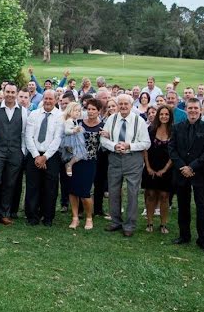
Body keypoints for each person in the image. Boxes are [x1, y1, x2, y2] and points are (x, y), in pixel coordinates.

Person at [167, 98, 204, 251]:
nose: (193, 111)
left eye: (196, 108)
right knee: (183, 205)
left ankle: (203, 238)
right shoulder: (176, 127)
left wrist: (192, 167)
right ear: (186, 109)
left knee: (202, 206)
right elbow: (172, 149)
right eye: (190, 108)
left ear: (201, 110)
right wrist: (183, 166)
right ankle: (184, 235)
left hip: (200, 173)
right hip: (181, 173)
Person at [100, 94, 151, 237]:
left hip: (132, 159)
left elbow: (146, 143)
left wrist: (129, 146)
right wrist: (114, 145)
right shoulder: (111, 119)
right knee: (113, 191)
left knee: (132, 192)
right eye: (120, 104)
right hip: (115, 158)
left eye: (125, 104)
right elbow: (103, 139)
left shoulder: (139, 121)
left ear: (131, 105)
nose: (123, 106)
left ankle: (129, 225)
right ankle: (116, 221)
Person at [0, 82, 28, 226]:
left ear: (16, 94)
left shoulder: (23, 111)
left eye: (12, 92)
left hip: (15, 152)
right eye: (7, 91)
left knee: (10, 184)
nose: (10, 94)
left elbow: (24, 134)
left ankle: (5, 214)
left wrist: (22, 152)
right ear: (3, 92)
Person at [24, 90, 63, 227]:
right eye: (45, 98)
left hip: (51, 156)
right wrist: (36, 156)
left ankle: (48, 216)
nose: (47, 101)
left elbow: (58, 138)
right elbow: (28, 136)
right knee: (32, 186)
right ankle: (32, 215)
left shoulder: (60, 116)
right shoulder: (34, 114)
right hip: (34, 154)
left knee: (50, 188)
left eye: (50, 99)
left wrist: (45, 157)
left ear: (56, 100)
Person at [65, 96, 104, 230]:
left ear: (99, 111)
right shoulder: (79, 122)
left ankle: (88, 217)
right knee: (72, 190)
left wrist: (107, 135)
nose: (91, 111)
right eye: (88, 109)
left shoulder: (102, 126)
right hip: (75, 161)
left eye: (94, 109)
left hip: (89, 162)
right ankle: (75, 217)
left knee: (85, 192)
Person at [142, 105, 173, 234]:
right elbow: (145, 149)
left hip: (167, 168)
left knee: (164, 195)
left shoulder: (174, 132)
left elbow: (174, 153)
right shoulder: (151, 130)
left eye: (166, 114)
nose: (164, 116)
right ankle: (149, 222)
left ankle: (163, 224)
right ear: (157, 116)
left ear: (170, 116)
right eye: (161, 114)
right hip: (151, 167)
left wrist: (165, 169)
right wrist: (148, 167)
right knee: (150, 194)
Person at [60, 102, 88, 177]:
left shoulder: (75, 120)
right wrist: (74, 130)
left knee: (79, 153)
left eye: (79, 111)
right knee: (77, 153)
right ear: (69, 111)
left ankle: (69, 164)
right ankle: (69, 165)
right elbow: (66, 131)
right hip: (70, 140)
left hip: (76, 139)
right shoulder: (69, 120)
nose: (78, 112)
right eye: (75, 110)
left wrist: (78, 129)